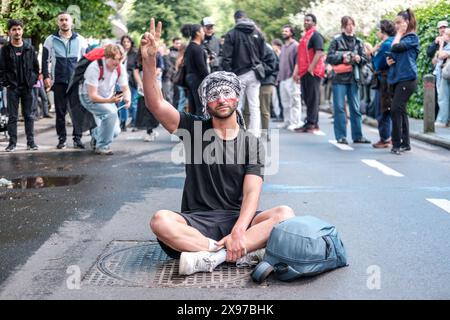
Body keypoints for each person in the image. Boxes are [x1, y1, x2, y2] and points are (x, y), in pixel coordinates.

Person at [141, 19, 295, 275]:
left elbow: (251, 194)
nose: (221, 99)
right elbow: (156, 104)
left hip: (239, 221)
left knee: (285, 213)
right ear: (206, 104)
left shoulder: (251, 142)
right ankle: (226, 252)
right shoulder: (194, 129)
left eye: (227, 93)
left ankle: (212, 257)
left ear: (236, 97)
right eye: (214, 95)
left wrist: (238, 231)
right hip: (196, 223)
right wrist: (149, 62)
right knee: (160, 220)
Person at [42, 11, 88, 149]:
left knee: (77, 112)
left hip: (75, 82)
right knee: (60, 113)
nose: (64, 22)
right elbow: (45, 60)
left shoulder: (81, 39)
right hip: (59, 81)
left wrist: (85, 79)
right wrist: (46, 76)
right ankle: (62, 139)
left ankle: (77, 138)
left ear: (71, 22)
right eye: (61, 20)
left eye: (66, 20)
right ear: (58, 22)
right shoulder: (50, 39)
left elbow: (86, 61)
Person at [326, 16, 371, 145]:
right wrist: (342, 57)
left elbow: (365, 59)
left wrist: (359, 59)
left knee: (355, 108)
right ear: (343, 27)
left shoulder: (359, 41)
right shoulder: (336, 41)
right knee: (339, 107)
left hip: (354, 77)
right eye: (347, 24)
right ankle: (341, 136)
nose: (350, 27)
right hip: (339, 78)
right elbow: (329, 57)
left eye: (352, 24)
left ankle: (358, 136)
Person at [78, 44, 130, 155]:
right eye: (114, 59)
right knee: (111, 114)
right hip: (87, 96)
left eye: (120, 59)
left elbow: (125, 88)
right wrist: (110, 101)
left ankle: (96, 135)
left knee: (115, 131)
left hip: (107, 97)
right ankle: (102, 146)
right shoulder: (94, 67)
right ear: (106, 57)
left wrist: (127, 98)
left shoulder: (120, 68)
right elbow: (92, 96)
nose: (117, 62)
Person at [222, 10, 266, 137]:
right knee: (254, 104)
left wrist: (228, 74)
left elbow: (226, 57)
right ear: (245, 18)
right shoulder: (257, 32)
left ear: (235, 19)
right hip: (255, 72)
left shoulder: (231, 34)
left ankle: (238, 131)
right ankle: (255, 132)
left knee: (237, 104)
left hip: (238, 73)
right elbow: (263, 53)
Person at [0, 19, 40, 152]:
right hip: (13, 88)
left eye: (19, 29)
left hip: (27, 87)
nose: (17, 32)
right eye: (14, 29)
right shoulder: (5, 50)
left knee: (29, 115)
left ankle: (31, 142)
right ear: (9, 32)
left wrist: (32, 80)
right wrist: (6, 83)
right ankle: (12, 143)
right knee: (12, 117)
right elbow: (1, 69)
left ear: (22, 30)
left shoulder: (29, 48)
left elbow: (35, 68)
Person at [387, 9, 419, 155]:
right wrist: (389, 61)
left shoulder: (412, 37)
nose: (396, 25)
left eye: (399, 22)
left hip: (407, 79)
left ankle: (396, 144)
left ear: (406, 23)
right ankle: (405, 143)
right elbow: (392, 52)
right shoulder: (401, 38)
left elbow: (395, 47)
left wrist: (399, 33)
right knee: (401, 110)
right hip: (397, 78)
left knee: (395, 109)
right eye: (395, 23)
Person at [294, 14, 326, 133]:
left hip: (313, 72)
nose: (306, 22)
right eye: (305, 20)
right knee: (307, 98)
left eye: (308, 20)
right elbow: (300, 56)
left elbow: (319, 52)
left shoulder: (316, 36)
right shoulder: (304, 37)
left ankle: (312, 123)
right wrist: (297, 72)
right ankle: (310, 122)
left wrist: (311, 68)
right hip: (304, 72)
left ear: (314, 23)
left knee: (312, 98)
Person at [370, 20, 395, 148]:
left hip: (384, 80)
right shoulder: (394, 41)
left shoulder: (385, 44)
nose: (377, 32)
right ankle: (389, 137)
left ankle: (385, 138)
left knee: (382, 109)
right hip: (392, 79)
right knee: (389, 109)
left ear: (383, 31)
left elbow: (377, 63)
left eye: (378, 30)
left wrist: (372, 51)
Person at [276, 24, 301, 132]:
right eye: (283, 31)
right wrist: (278, 77)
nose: (284, 33)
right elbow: (281, 63)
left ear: (291, 33)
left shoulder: (296, 45)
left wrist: (296, 75)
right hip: (282, 78)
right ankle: (287, 121)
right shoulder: (283, 47)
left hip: (292, 77)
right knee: (285, 102)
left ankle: (295, 122)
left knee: (294, 101)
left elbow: (298, 62)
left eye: (286, 31)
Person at [182, 24, 209, 116]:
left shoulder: (189, 47)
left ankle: (193, 129)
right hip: (197, 80)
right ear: (197, 33)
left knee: (192, 106)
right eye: (202, 31)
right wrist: (210, 79)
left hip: (189, 79)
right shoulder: (197, 48)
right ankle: (199, 130)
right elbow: (201, 67)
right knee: (200, 107)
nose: (204, 33)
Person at [119, 35, 139, 131]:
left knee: (133, 102)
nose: (126, 43)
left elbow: (136, 68)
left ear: (131, 43)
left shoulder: (135, 54)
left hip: (131, 81)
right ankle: (123, 122)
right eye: (124, 42)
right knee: (121, 102)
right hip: (120, 81)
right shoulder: (119, 53)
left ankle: (135, 122)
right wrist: (122, 58)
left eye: (128, 41)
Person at [434, 28, 450, 127]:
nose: (442, 36)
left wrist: (440, 45)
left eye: (444, 34)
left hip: (446, 75)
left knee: (443, 97)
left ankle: (442, 120)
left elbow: (440, 56)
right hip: (444, 74)